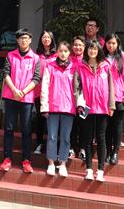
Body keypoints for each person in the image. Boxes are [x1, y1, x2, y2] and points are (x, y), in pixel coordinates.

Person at [40, 41, 84, 177]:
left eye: (66, 51)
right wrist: (44, 106)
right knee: (52, 137)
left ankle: (63, 164)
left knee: (65, 137)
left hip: (68, 108)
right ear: (57, 52)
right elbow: (44, 87)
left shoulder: (75, 67)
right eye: (61, 51)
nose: (63, 54)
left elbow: (79, 88)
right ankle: (51, 163)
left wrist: (79, 104)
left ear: (69, 53)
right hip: (53, 107)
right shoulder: (50, 66)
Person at [0, 28, 40, 174]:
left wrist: (23, 92)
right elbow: (6, 73)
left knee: (26, 129)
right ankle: (7, 158)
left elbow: (36, 78)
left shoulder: (35, 58)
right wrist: (14, 90)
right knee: (9, 128)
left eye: (26, 38)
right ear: (17, 40)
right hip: (11, 96)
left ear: (30, 40)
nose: (24, 41)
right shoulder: (11, 55)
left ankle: (26, 160)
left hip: (26, 98)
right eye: (21, 38)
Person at [78, 39, 115, 182]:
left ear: (99, 50)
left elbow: (111, 87)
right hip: (87, 107)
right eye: (90, 48)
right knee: (87, 138)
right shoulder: (81, 66)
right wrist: (79, 105)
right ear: (86, 50)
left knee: (101, 138)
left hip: (102, 107)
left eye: (95, 48)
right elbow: (77, 87)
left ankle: (100, 170)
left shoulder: (106, 66)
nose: (92, 51)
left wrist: (111, 105)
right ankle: (88, 169)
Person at [103, 33, 124, 165]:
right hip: (104, 95)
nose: (111, 45)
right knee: (106, 125)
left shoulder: (123, 57)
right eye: (109, 43)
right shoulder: (101, 56)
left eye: (114, 43)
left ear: (118, 44)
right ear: (105, 44)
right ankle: (108, 151)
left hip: (118, 95)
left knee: (117, 124)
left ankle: (115, 152)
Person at [33, 30, 57, 155]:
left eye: (48, 37)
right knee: (40, 117)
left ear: (52, 39)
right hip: (39, 91)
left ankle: (52, 145)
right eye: (44, 37)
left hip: (53, 92)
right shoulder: (36, 55)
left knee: (53, 119)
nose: (46, 39)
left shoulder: (57, 55)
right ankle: (39, 143)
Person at [69, 36, 85, 160]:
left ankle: (83, 149)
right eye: (75, 45)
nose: (77, 47)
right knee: (72, 124)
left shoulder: (88, 60)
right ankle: (71, 148)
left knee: (84, 123)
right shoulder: (68, 59)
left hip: (85, 98)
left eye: (80, 45)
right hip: (70, 98)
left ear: (84, 47)